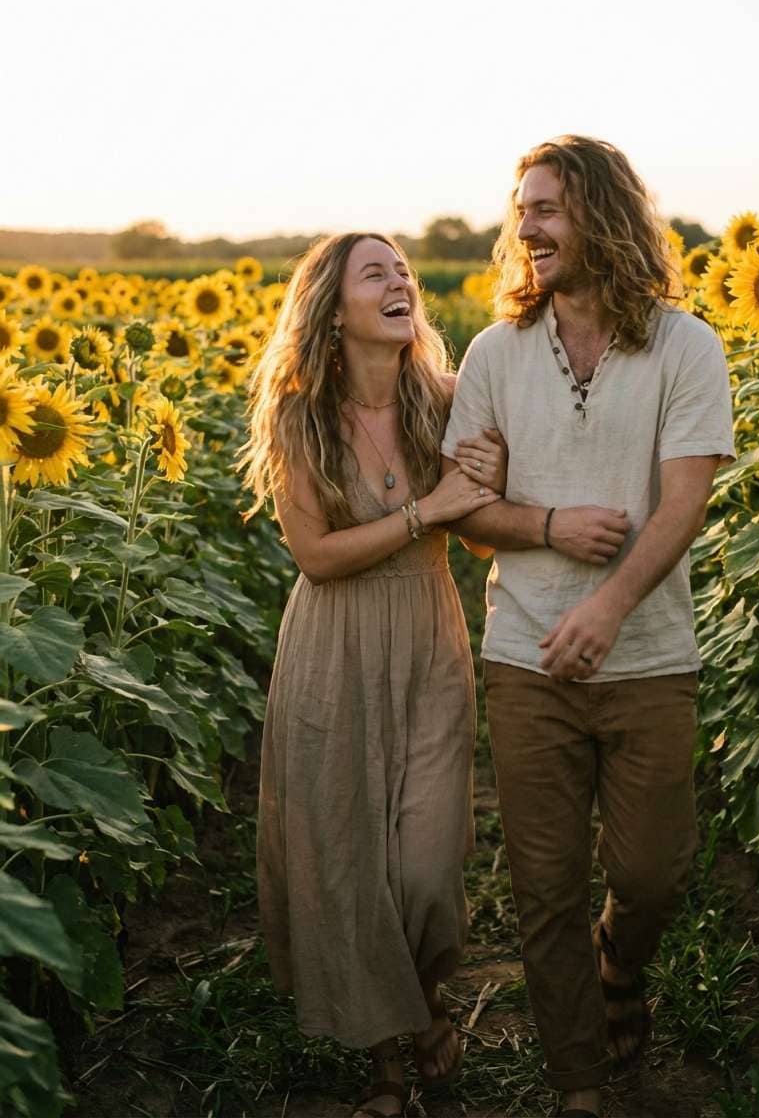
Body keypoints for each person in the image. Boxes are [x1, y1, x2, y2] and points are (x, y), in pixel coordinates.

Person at [440, 136, 736, 1118]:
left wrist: (608, 607)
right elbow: (468, 516)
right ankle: (578, 1081)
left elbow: (683, 501)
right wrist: (548, 525)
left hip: (650, 655)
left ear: (603, 216)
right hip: (524, 655)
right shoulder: (492, 355)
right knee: (544, 885)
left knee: (651, 872)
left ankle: (622, 962)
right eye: (520, 209)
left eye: (547, 209)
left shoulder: (684, 347)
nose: (525, 227)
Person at [238, 232, 507, 1118]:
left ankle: (427, 996)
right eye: (375, 273)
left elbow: (473, 534)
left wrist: (487, 487)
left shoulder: (447, 398)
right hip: (334, 645)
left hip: (428, 634)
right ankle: (387, 1060)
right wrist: (430, 507)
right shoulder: (298, 414)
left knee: (427, 864)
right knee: (349, 856)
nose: (400, 282)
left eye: (403, 271)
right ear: (333, 306)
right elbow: (314, 555)